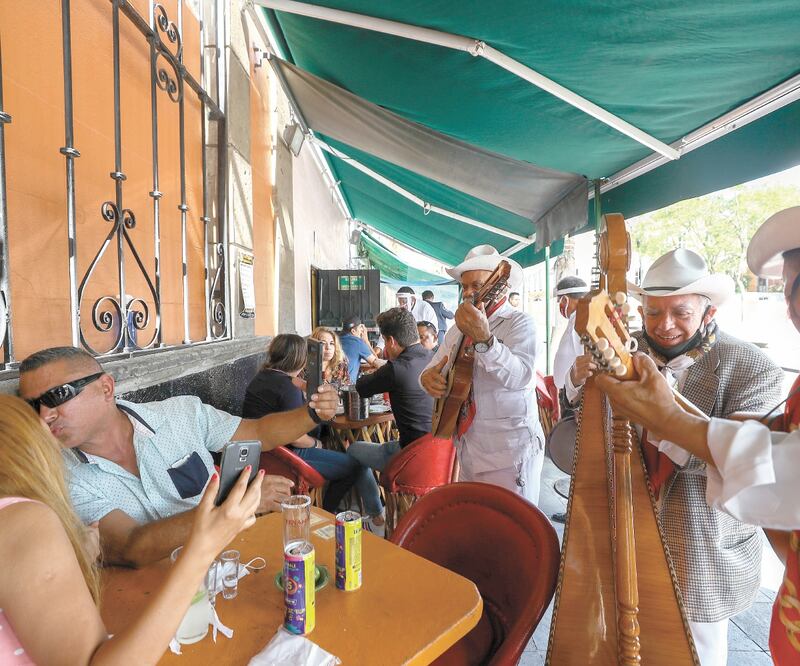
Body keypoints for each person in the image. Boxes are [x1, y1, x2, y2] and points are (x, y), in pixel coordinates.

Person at [596, 206, 800, 666]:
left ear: (708, 311)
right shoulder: (623, 354)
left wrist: (664, 415)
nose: (664, 325)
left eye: (679, 312)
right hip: (628, 539)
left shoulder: (754, 368)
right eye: (652, 312)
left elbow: (763, 476)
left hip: (704, 555)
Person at [17, 346, 338, 568]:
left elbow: (259, 432)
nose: (45, 415)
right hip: (153, 600)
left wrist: (312, 412)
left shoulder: (179, 415)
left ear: (105, 388)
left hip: (230, 565)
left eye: (57, 396)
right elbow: (131, 547)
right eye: (34, 405)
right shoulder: (61, 476)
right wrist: (234, 506)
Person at [0, 394, 261, 663]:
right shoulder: (22, 517)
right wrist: (203, 547)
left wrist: (78, 560)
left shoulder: (18, 521)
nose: (46, 417)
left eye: (59, 397)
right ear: (27, 445)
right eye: (35, 411)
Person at [420, 245, 545, 503]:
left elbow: (521, 376)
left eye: (475, 286)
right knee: (476, 525)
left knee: (511, 532)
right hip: (468, 449)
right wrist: (427, 379)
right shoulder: (457, 329)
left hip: (509, 455)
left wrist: (484, 339)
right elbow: (431, 367)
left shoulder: (519, 323)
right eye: (464, 287)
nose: (467, 293)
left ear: (500, 286)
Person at [242, 334, 384, 528]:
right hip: (288, 457)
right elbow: (297, 438)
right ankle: (327, 512)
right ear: (301, 359)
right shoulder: (285, 387)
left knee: (338, 455)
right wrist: (318, 444)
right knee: (354, 466)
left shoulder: (263, 377)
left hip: (264, 455)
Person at [348, 308, 434, 473]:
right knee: (387, 445)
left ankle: (371, 500)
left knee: (353, 449)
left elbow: (361, 387)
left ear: (391, 341)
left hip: (410, 458)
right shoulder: (433, 357)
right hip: (440, 456)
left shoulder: (395, 369)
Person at [551, 276, 589, 391]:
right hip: (569, 393)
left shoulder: (581, 321)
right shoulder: (576, 319)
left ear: (565, 300)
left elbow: (584, 360)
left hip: (576, 396)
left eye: (559, 301)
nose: (560, 306)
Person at [339, 315, 384, 382]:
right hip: (346, 387)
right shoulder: (357, 342)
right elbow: (376, 363)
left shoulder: (337, 339)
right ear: (353, 331)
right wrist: (366, 341)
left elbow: (347, 364)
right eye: (361, 327)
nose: (362, 330)